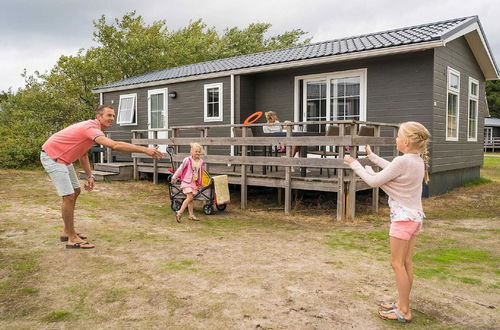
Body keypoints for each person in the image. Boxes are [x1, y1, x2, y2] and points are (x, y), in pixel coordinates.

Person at [40, 105, 164, 249]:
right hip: (53, 157)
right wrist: (145, 150)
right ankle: (72, 238)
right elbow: (115, 145)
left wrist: (89, 175)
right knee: (68, 196)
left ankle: (68, 231)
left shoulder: (93, 131)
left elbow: (82, 154)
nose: (112, 119)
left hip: (63, 159)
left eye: (113, 116)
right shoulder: (91, 129)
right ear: (99, 117)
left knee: (75, 191)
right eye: (108, 115)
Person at [343, 121, 430, 323]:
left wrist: (354, 164)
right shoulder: (416, 160)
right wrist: (372, 157)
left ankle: (404, 310)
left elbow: (374, 181)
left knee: (396, 263)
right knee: (406, 262)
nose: (396, 139)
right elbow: (392, 169)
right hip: (415, 218)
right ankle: (402, 303)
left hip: (402, 220)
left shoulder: (404, 161)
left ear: (406, 142)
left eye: (398, 136)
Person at [171, 143, 205, 222]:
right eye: (195, 151)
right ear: (191, 152)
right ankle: (179, 212)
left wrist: (200, 182)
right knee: (189, 197)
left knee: (191, 199)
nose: (197, 153)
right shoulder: (187, 160)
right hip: (186, 181)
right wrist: (174, 177)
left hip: (193, 182)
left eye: (199, 151)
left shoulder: (201, 162)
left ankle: (191, 215)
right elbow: (180, 169)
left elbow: (201, 172)